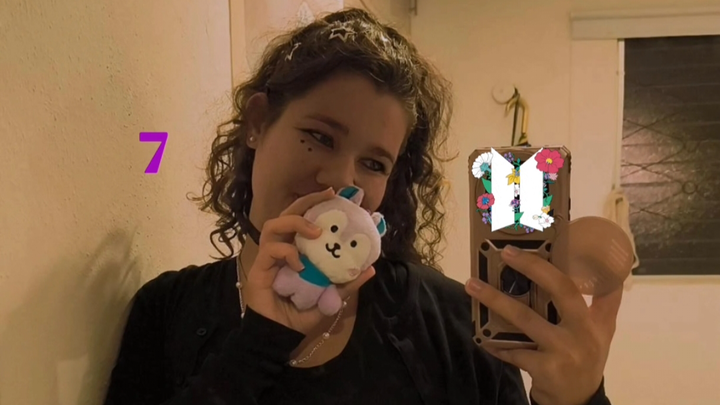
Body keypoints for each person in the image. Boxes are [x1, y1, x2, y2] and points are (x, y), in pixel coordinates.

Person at [104, 8, 621, 405]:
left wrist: (578, 398)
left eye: (374, 163)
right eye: (319, 136)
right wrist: (260, 341)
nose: (339, 180)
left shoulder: (449, 324)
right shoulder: (169, 312)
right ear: (258, 123)